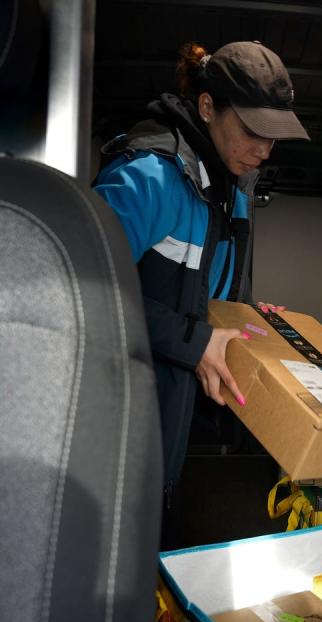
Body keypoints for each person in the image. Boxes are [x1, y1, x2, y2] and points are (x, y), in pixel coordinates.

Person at [93, 41, 309, 498]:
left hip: (186, 419)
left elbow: (203, 295)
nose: (264, 150)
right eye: (253, 130)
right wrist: (197, 341)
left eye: (274, 136)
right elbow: (86, 296)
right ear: (208, 107)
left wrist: (245, 314)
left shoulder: (236, 190)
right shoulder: (147, 177)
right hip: (124, 424)